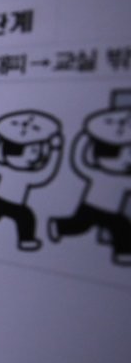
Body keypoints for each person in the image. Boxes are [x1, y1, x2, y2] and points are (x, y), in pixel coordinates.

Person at [0, 110, 61, 251]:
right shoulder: (7, 170)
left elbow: (46, 173)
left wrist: (55, 151)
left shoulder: (25, 175)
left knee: (25, 218)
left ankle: (26, 240)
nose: (36, 156)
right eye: (34, 151)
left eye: (37, 151)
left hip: (15, 204)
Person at [48, 107, 131, 264]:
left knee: (121, 227)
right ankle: (58, 226)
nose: (127, 161)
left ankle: (124, 253)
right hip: (89, 208)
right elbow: (79, 161)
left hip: (110, 212)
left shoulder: (122, 180)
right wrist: (85, 136)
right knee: (80, 226)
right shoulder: (97, 174)